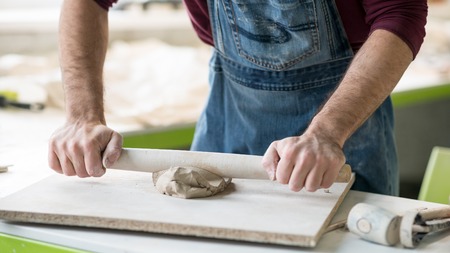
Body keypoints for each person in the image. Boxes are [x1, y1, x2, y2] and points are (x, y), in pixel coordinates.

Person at [48, 0, 427, 196]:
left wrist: (327, 133)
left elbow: (399, 15)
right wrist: (82, 116)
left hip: (341, 137)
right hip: (229, 116)